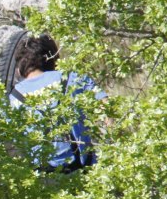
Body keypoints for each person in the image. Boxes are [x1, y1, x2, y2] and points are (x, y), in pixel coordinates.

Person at [7, 33, 107, 172]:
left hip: (43, 181)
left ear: (20, 66)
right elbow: (108, 111)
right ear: (53, 58)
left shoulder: (13, 97)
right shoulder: (71, 78)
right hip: (83, 174)